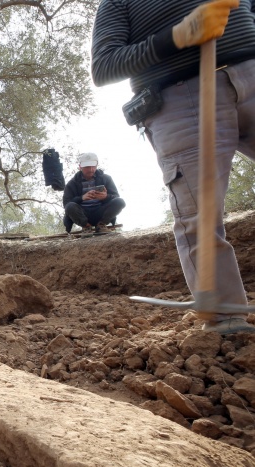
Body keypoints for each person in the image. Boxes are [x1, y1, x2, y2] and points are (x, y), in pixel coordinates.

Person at [91, 0, 255, 335]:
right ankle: (226, 322)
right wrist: (176, 37)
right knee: (200, 215)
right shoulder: (118, 3)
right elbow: (104, 66)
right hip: (183, 99)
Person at [63, 152, 126, 234]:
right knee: (70, 206)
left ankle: (101, 225)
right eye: (87, 167)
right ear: (80, 167)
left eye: (93, 166)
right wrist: (81, 198)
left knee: (120, 202)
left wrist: (105, 197)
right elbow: (66, 204)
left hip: (101, 212)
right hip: (83, 214)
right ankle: (86, 227)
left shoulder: (106, 178)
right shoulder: (72, 183)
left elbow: (115, 196)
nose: (91, 169)